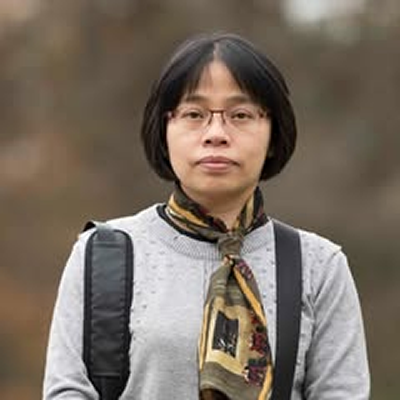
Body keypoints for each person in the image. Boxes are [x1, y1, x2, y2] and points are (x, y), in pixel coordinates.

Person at [43, 32, 370, 399]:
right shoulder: (103, 254)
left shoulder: (318, 266)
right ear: (164, 130)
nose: (216, 133)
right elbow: (67, 391)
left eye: (241, 115)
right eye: (194, 114)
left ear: (273, 134)